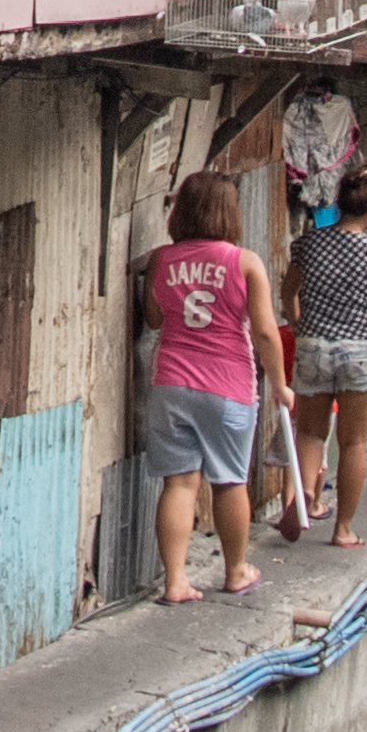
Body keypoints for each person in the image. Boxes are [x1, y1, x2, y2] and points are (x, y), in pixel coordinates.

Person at [132, 175, 287, 605]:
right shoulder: (245, 262)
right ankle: (235, 571)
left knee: (179, 484)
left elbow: (156, 320)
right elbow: (266, 333)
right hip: (228, 387)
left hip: (172, 384)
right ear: (229, 212)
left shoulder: (162, 260)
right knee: (229, 480)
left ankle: (176, 581)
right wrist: (280, 385)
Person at [280, 181, 367, 544]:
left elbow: (287, 295)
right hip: (357, 352)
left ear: (338, 205)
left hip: (313, 347)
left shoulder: (308, 245)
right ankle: (343, 530)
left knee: (310, 432)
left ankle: (304, 494)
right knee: (353, 442)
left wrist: (300, 327)